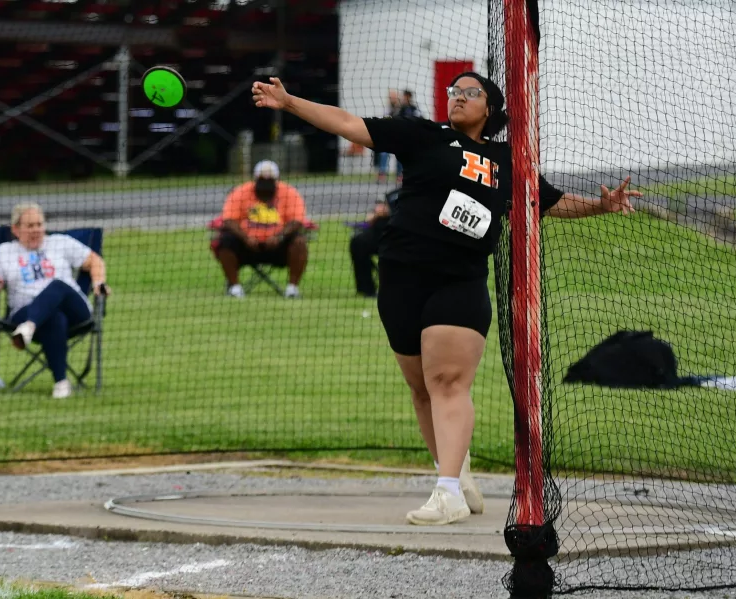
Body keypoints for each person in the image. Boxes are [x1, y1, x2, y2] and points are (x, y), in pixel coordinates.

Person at [252, 71, 638, 525]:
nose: (458, 97)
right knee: (421, 389)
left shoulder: (507, 159)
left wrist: (601, 205)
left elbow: (547, 201)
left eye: (470, 92)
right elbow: (349, 124)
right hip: (401, 275)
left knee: (447, 382)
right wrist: (290, 102)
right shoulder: (425, 135)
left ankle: (448, 492)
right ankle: (456, 472)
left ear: (490, 108)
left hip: (459, 279)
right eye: (454, 91)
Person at [0, 203, 108, 399]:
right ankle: (61, 383)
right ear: (15, 229)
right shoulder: (4, 252)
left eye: (39, 224)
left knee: (57, 285)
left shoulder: (61, 242)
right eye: (30, 226)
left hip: (74, 310)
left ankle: (29, 327)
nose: (36, 230)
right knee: (54, 318)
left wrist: (99, 283)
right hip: (24, 311)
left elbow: (95, 261)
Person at [214, 160, 308, 299]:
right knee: (225, 241)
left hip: (278, 248)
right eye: (262, 181)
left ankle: (292, 289)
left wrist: (279, 237)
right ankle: (235, 288)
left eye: (269, 181)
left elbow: (297, 221)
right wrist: (246, 238)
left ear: (276, 180)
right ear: (256, 179)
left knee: (299, 242)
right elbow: (229, 220)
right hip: (246, 247)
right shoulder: (240, 192)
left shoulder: (289, 193)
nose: (266, 185)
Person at [349, 188, 396, 297]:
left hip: (402, 236)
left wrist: (390, 211)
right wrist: (376, 213)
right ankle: (366, 289)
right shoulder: (392, 194)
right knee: (358, 242)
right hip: (381, 234)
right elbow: (373, 215)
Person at [375, 90, 400, 183]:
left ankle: (399, 174)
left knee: (401, 153)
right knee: (383, 152)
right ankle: (382, 173)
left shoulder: (401, 109)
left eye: (394, 97)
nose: (392, 99)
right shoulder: (386, 109)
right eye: (391, 97)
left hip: (399, 137)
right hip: (388, 137)